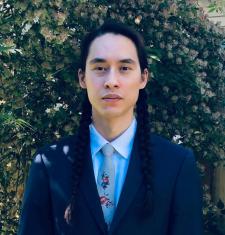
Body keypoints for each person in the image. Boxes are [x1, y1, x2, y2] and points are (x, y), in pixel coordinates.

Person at [18, 21, 203, 235]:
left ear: (143, 78)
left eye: (124, 68)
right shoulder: (49, 164)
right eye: (100, 68)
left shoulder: (177, 164)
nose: (111, 81)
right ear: (82, 78)